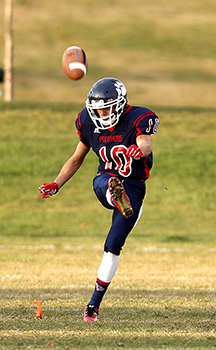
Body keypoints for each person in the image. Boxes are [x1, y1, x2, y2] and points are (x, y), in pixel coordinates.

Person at [39, 77, 159, 321]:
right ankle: (116, 196)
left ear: (120, 105)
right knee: (105, 183)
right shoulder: (87, 122)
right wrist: (56, 183)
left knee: (113, 246)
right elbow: (76, 159)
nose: (102, 114)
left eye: (106, 108)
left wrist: (138, 149)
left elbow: (146, 143)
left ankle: (93, 307)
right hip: (106, 178)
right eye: (97, 110)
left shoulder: (137, 118)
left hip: (134, 186)